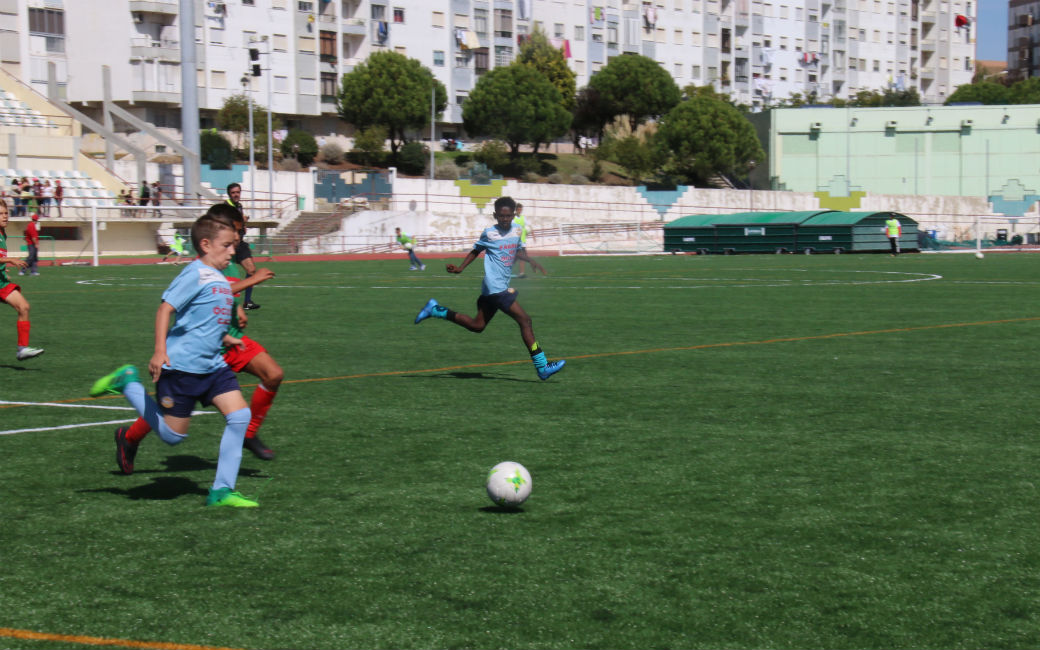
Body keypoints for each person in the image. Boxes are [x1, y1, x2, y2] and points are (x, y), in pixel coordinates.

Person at [89, 212, 257, 507]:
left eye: (234, 245)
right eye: (228, 245)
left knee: (240, 416)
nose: (233, 251)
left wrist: (226, 337)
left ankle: (221, 491)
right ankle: (127, 383)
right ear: (205, 244)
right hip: (182, 368)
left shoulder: (217, 277)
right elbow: (166, 309)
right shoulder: (194, 273)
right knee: (172, 437)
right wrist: (159, 351)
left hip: (213, 366)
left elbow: (203, 318)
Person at [118, 204, 282, 465]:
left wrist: (237, 308)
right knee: (171, 414)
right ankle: (129, 437)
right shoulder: (207, 261)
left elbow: (222, 294)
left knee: (272, 374)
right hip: (198, 345)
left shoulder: (228, 259)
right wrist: (253, 280)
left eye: (237, 239)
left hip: (226, 340)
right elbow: (198, 293)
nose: (236, 245)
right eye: (234, 235)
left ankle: (247, 439)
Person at [413, 196, 565, 381]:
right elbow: (476, 250)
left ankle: (436, 310)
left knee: (477, 326)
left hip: (494, 289)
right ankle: (542, 366)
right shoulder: (489, 233)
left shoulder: (517, 231)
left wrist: (530, 260)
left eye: (508, 216)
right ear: (495, 215)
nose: (504, 219)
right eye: (501, 216)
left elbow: (515, 252)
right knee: (525, 321)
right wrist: (461, 268)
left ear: (513, 215)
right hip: (495, 289)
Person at [0, 201, 44, 361]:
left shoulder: (2, 233)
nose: (5, 216)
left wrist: (3, 268)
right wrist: (10, 260)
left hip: (1, 283)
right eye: (1, 214)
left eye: (6, 213)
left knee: (24, 307)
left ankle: (22, 349)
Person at [224, 182, 260, 310]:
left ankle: (247, 302)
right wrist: (240, 220)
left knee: (251, 270)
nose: (236, 195)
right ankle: (225, 302)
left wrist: (243, 226)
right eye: (233, 193)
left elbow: (240, 221)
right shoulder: (226, 206)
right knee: (227, 276)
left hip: (240, 244)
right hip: (229, 245)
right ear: (229, 194)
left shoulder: (239, 206)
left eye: (238, 192)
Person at [512, 202, 532, 278]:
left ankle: (521, 273)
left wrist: (532, 234)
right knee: (514, 259)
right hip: (516, 241)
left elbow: (529, 226)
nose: (520, 211)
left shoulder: (523, 218)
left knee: (522, 258)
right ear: (516, 210)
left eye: (521, 210)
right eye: (518, 209)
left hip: (523, 242)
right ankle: (504, 271)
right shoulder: (513, 218)